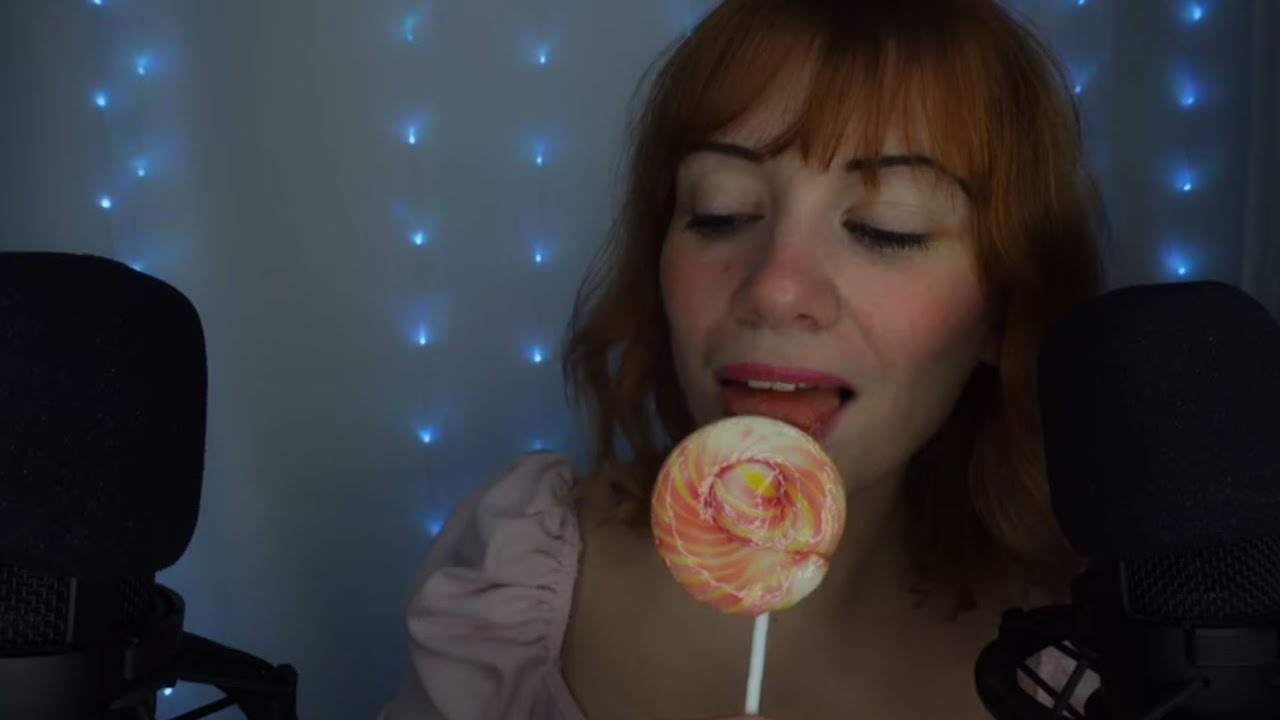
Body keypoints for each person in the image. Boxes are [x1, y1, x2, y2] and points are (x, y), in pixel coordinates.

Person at [382, 0, 1108, 717]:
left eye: (886, 228)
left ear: (1002, 313)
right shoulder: (516, 586)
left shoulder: (1073, 668)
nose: (775, 288)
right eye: (720, 213)